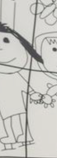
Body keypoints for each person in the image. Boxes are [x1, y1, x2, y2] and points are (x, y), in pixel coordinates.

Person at [0, 21, 43, 150]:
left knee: (19, 117)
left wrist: (33, 93)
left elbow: (24, 84)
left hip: (16, 101)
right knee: (7, 118)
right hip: (4, 103)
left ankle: (24, 135)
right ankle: (11, 135)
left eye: (6, 41)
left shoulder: (14, 75)